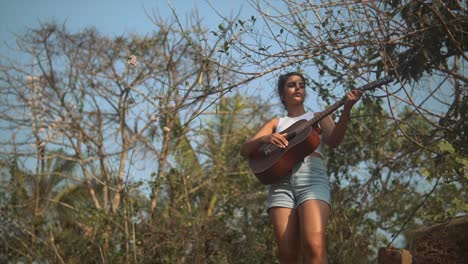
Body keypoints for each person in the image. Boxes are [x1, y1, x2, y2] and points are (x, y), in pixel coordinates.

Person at [240, 72, 362, 263]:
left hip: (312, 177)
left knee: (314, 246)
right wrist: (265, 138)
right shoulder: (276, 122)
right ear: (282, 94)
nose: (298, 87)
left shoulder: (318, 116)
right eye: (291, 85)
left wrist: (346, 109)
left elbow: (334, 140)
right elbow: (245, 150)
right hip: (281, 183)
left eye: (302, 84)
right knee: (288, 255)